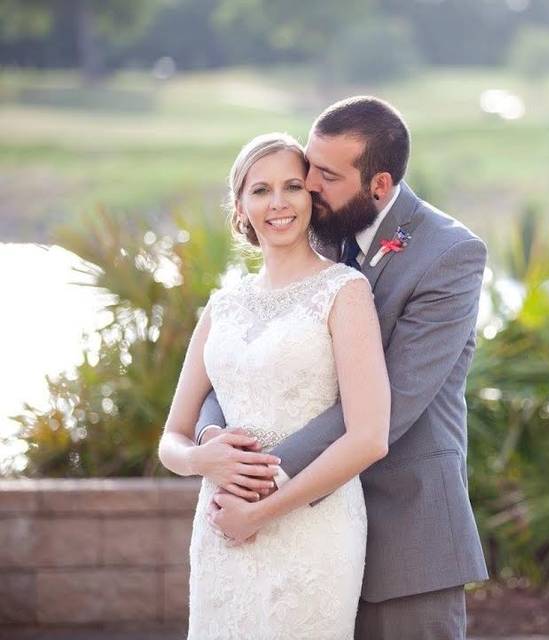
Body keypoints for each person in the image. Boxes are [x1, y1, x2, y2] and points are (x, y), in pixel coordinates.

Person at [195, 96, 489, 639]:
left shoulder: (450, 256)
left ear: (378, 185)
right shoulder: (319, 223)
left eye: (325, 175)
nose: (306, 186)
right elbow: (247, 350)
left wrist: (259, 478)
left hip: (405, 529)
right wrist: (215, 437)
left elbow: (392, 402)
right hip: (299, 531)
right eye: (309, 166)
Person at [158, 130, 390, 639]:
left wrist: (263, 511)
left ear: (311, 197)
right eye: (260, 190)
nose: (278, 203)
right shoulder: (223, 306)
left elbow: (369, 437)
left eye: (292, 186)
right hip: (222, 525)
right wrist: (203, 459)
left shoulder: (344, 292)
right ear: (240, 207)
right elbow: (171, 439)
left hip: (310, 526)